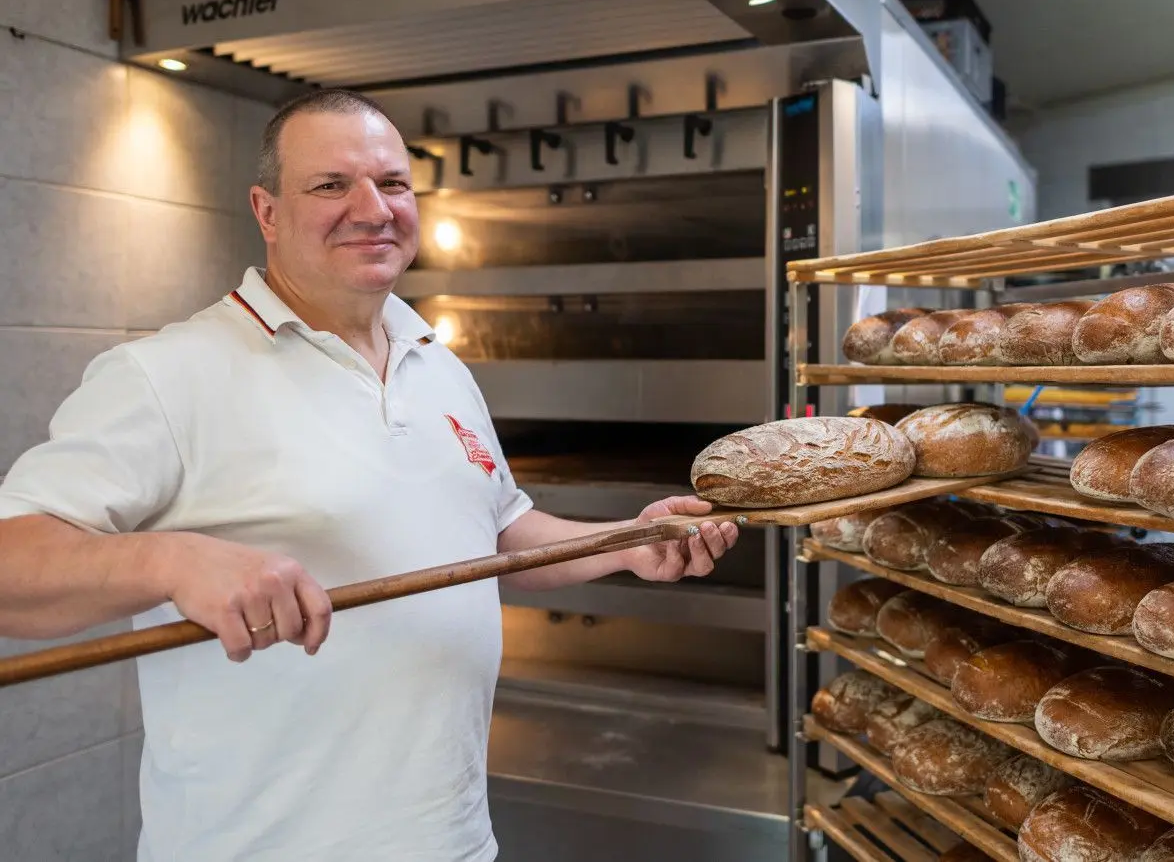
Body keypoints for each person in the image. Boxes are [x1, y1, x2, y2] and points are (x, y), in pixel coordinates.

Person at [0, 88, 740, 862]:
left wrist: (627, 540)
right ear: (268, 211)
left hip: (452, 841)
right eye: (331, 185)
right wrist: (170, 559)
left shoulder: (437, 361)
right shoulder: (165, 374)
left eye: (391, 183)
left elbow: (496, 530)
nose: (373, 208)